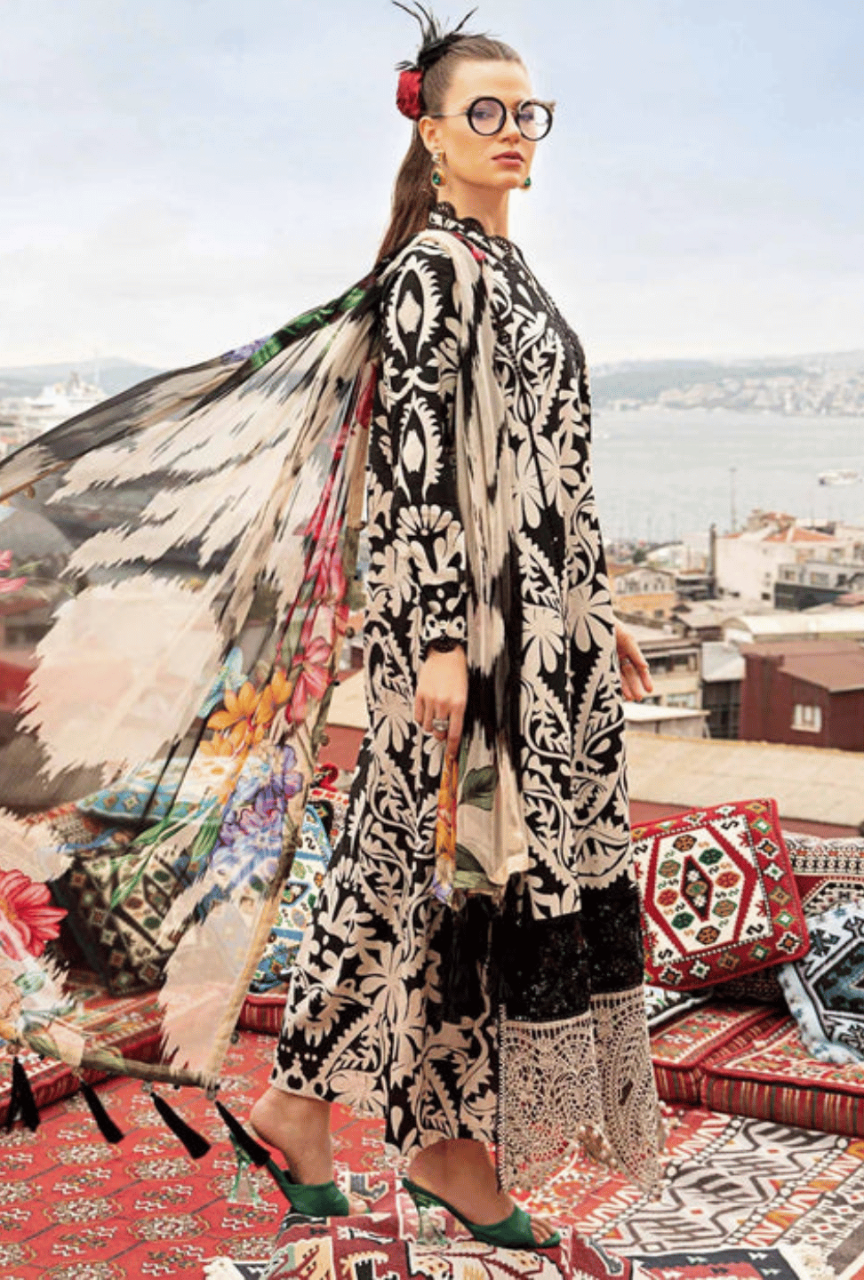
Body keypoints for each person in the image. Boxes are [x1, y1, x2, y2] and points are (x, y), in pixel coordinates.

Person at [249, 5, 661, 1252]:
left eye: (527, 112)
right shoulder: (433, 266)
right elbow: (413, 463)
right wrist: (432, 636)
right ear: (431, 130)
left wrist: (600, 615)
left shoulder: (507, 268)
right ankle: (338, 1119)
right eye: (485, 112)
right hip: (461, 651)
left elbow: (546, 472)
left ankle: (408, 1137)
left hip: (539, 644)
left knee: (448, 891)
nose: (512, 132)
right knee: (400, 875)